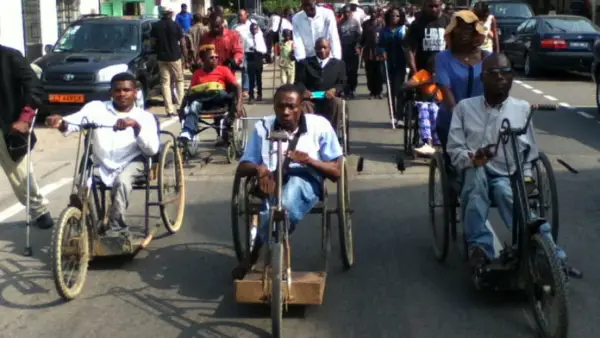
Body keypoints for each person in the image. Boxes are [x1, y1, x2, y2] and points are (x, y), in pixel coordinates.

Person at [446, 53, 581, 279]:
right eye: (493, 73)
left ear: (512, 77)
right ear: (482, 78)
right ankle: (479, 247)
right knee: (477, 186)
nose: (500, 77)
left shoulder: (522, 109)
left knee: (507, 194)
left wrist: (527, 177)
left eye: (505, 72)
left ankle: (553, 255)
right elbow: (453, 149)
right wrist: (474, 156)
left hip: (506, 174)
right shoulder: (464, 108)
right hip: (473, 169)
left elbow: (530, 153)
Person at [231, 83, 343, 279]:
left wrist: (310, 160)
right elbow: (242, 167)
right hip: (271, 178)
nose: (286, 112)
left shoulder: (320, 126)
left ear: (301, 106)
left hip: (306, 178)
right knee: (270, 205)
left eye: (291, 106)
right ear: (274, 106)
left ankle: (260, 251)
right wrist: (259, 169)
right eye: (280, 106)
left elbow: (335, 171)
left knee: (286, 203)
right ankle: (269, 246)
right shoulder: (263, 127)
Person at [45, 73, 160, 236]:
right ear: (111, 92)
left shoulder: (145, 117)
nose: (122, 94)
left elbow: (152, 150)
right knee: (81, 182)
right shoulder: (96, 108)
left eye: (127, 90)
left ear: (135, 92)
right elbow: (73, 123)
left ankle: (117, 227)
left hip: (132, 162)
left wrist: (135, 126)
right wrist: (60, 123)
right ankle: (90, 224)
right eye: (118, 90)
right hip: (102, 162)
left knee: (122, 183)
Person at [0, 45, 53, 229]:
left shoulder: (9, 56)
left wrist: (24, 118)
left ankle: (39, 210)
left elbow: (34, 88)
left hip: (7, 126)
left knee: (19, 175)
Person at [435, 10, 488, 148]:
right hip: (451, 120)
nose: (464, 31)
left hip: (483, 119)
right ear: (453, 31)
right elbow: (445, 89)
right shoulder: (443, 58)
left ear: (476, 32)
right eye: (460, 27)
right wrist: (457, 116)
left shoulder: (487, 58)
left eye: (469, 28)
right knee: (456, 163)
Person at [179, 46, 243, 144]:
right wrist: (181, 108)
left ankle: (227, 127)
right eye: (211, 57)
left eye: (216, 57)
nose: (215, 59)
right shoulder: (197, 73)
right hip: (203, 102)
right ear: (203, 60)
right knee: (193, 105)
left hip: (220, 99)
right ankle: (187, 131)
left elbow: (237, 87)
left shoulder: (223, 70)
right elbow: (190, 92)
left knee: (221, 93)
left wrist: (238, 104)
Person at [294, 38, 346, 129]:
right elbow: (298, 83)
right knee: (304, 105)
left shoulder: (338, 64)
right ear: (315, 49)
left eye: (324, 47)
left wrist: (334, 90)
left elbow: (342, 83)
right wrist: (304, 91)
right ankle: (308, 133)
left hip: (329, 99)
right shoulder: (305, 63)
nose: (322, 50)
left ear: (329, 48)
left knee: (337, 102)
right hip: (311, 100)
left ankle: (332, 132)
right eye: (319, 48)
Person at [402, 56, 442, 156]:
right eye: (433, 66)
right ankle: (427, 142)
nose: (434, 69)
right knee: (425, 108)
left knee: (434, 109)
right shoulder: (423, 74)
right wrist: (425, 81)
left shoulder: (444, 75)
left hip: (440, 103)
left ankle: (437, 142)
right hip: (423, 102)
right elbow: (405, 85)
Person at [151, 7, 187, 117]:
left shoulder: (156, 26)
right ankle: (180, 106)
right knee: (179, 81)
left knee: (165, 83)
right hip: (175, 57)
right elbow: (183, 42)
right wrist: (185, 57)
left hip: (162, 58)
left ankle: (169, 110)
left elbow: (152, 42)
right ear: (171, 13)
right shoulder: (175, 25)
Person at [378, 7, 408, 127]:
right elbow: (379, 45)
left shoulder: (404, 29)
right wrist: (381, 51)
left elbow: (408, 45)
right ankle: (393, 116)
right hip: (388, 62)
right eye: (392, 16)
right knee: (390, 90)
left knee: (399, 90)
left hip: (401, 62)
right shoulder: (384, 31)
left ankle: (400, 116)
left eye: (397, 16)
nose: (394, 18)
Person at [406, 0, 451, 75]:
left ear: (441, 5)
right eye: (430, 6)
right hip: (422, 71)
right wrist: (414, 70)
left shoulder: (448, 21)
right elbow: (410, 49)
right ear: (425, 5)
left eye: (436, 6)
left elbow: (454, 46)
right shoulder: (417, 23)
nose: (433, 9)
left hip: (443, 70)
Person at [359, 7, 385, 99]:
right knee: (370, 73)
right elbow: (363, 38)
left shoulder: (382, 23)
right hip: (368, 51)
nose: (373, 14)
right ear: (370, 13)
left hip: (379, 51)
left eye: (375, 12)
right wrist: (359, 45)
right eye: (372, 12)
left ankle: (379, 91)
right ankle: (372, 92)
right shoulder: (366, 24)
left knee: (380, 73)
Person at [234, 9, 259, 97]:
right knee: (244, 69)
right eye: (239, 15)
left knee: (253, 69)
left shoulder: (252, 24)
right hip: (243, 51)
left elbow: (258, 35)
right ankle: (245, 88)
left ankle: (254, 85)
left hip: (253, 50)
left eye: (242, 15)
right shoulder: (237, 27)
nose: (241, 17)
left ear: (246, 15)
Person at [338, 5, 362, 98]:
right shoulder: (339, 24)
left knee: (353, 71)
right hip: (344, 49)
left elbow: (360, 35)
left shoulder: (355, 22)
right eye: (345, 12)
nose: (347, 14)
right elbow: (337, 37)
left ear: (351, 13)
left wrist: (357, 46)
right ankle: (346, 90)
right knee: (345, 71)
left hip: (353, 49)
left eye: (348, 12)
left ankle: (353, 89)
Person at [244, 23, 267, 102]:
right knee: (251, 79)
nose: (254, 30)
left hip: (258, 58)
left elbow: (264, 50)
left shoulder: (260, 37)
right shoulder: (247, 37)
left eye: (255, 29)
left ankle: (259, 94)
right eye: (252, 29)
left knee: (258, 78)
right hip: (250, 59)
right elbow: (244, 48)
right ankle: (251, 96)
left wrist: (256, 48)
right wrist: (249, 49)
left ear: (257, 29)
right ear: (250, 30)